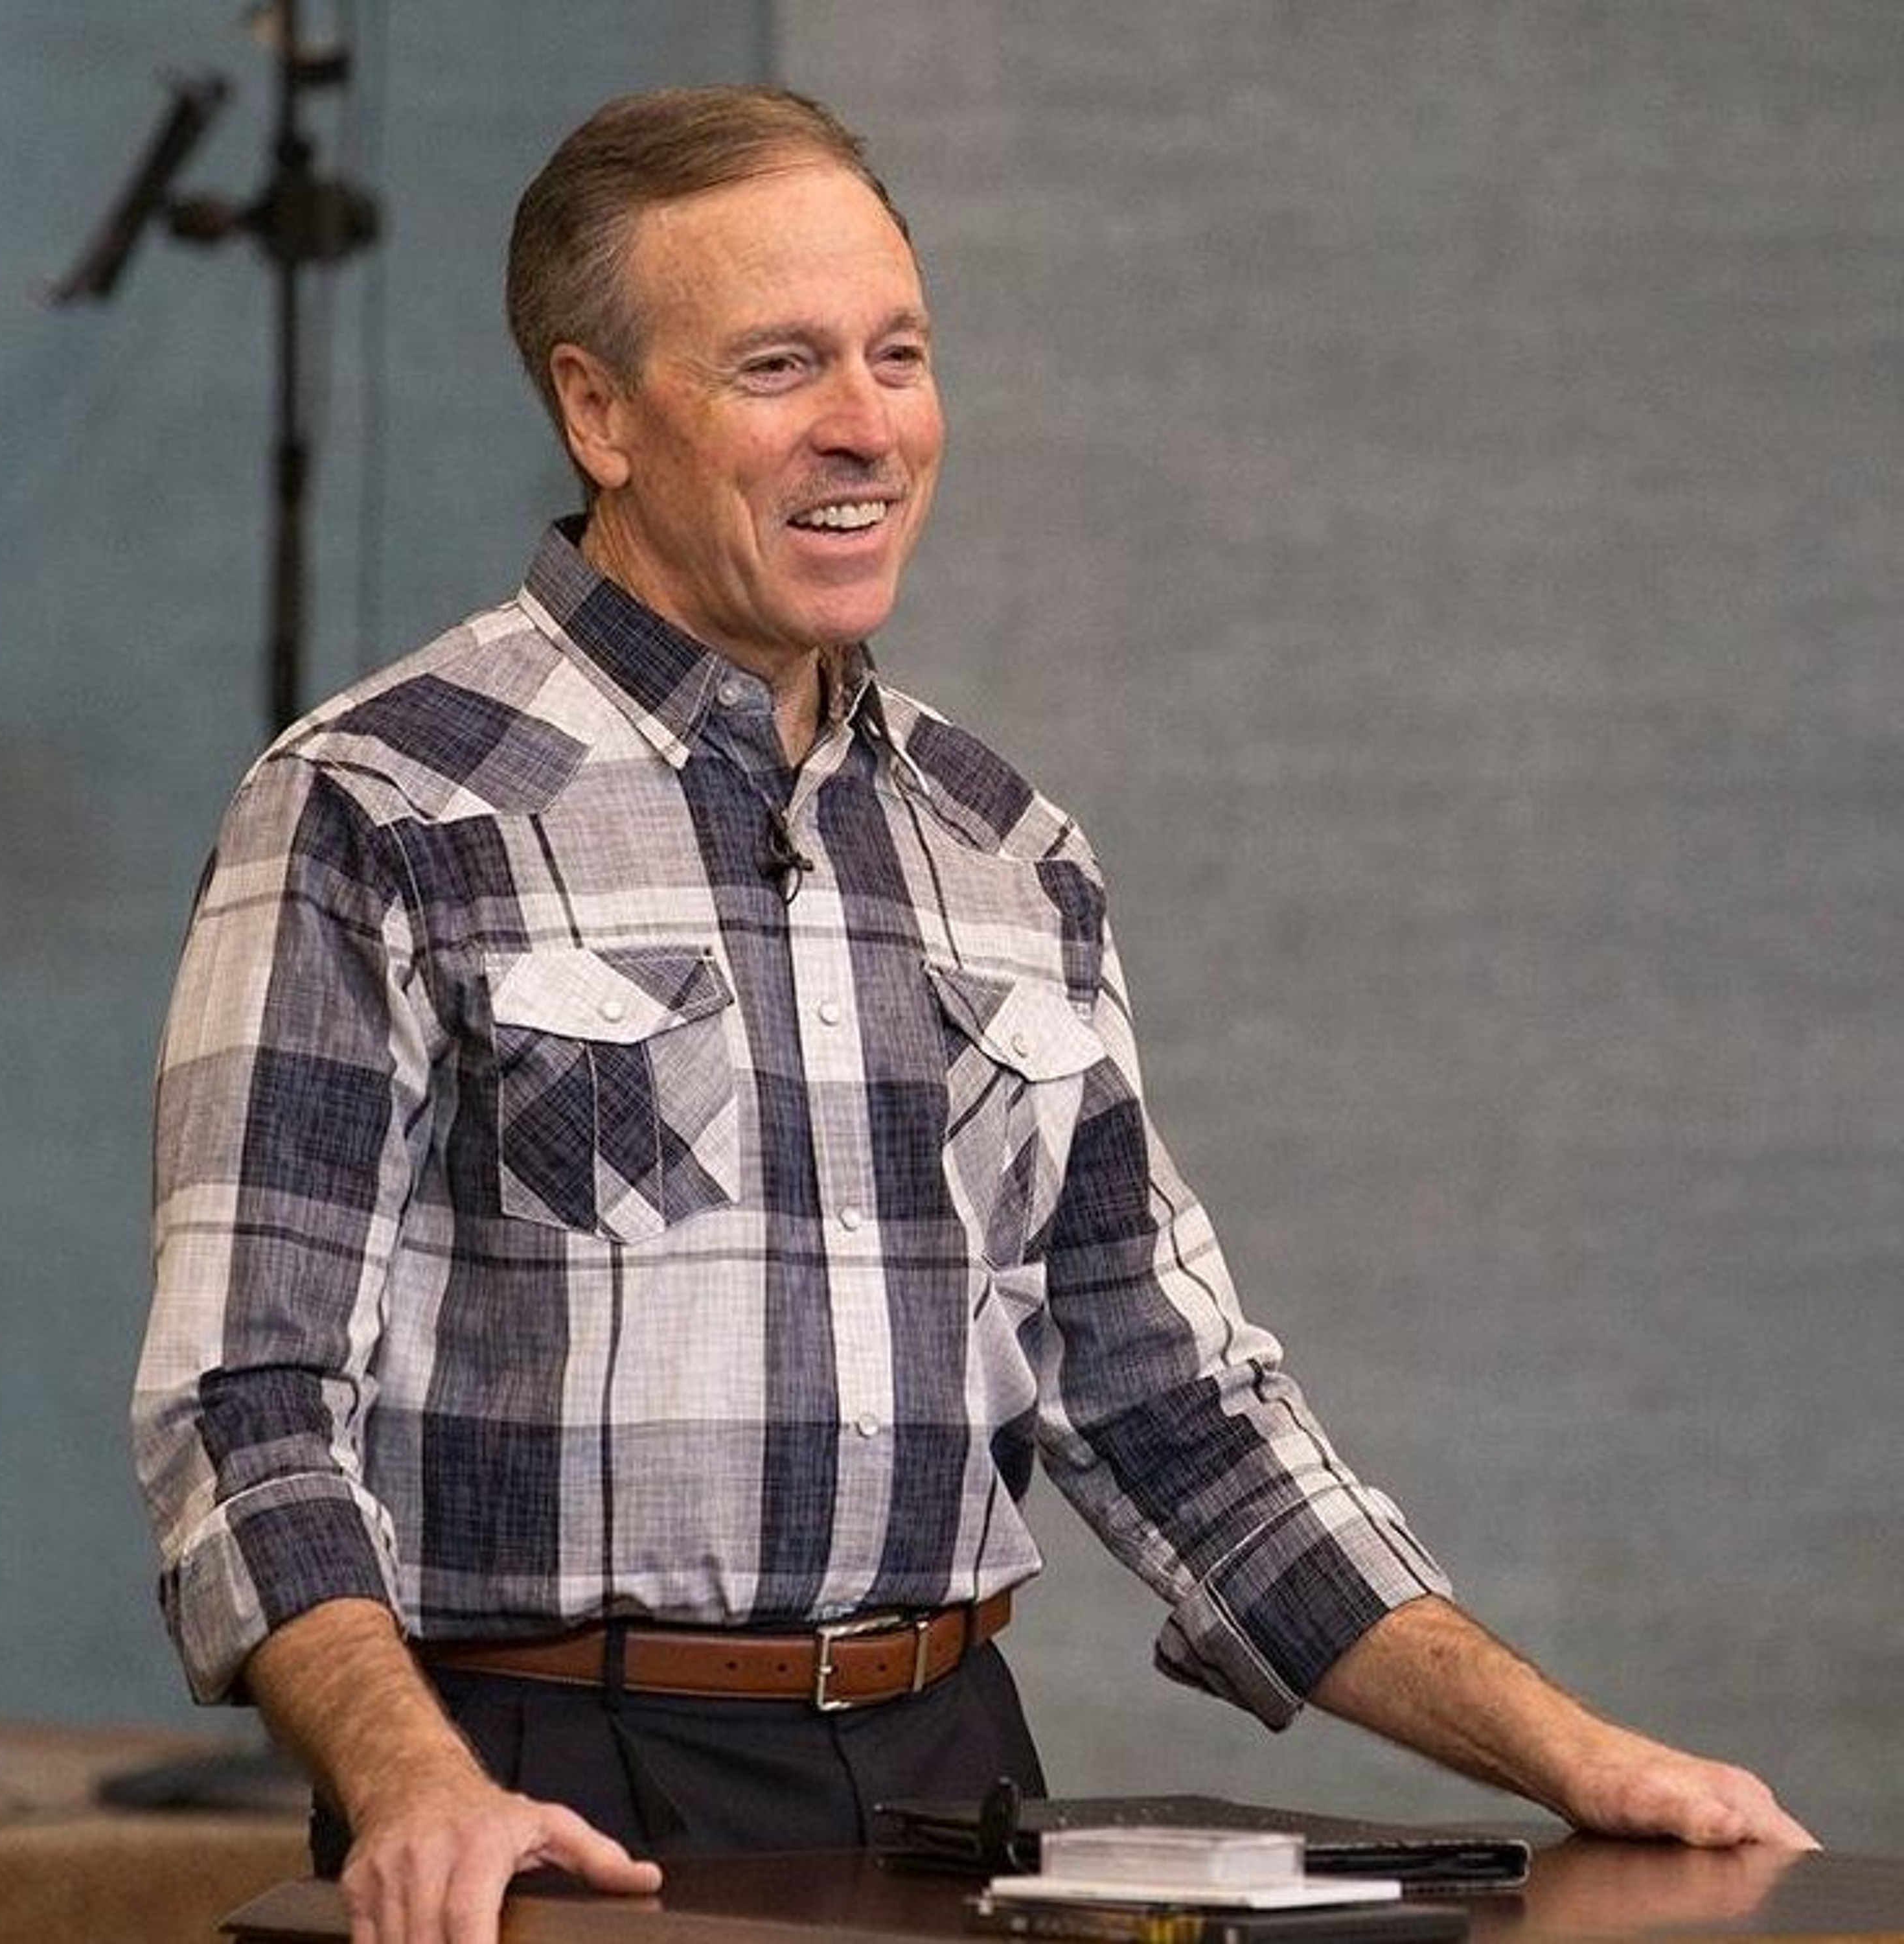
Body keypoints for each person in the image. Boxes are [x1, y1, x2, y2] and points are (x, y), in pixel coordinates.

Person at [132, 82, 1813, 1944]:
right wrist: (415, 1784)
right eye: (779, 365)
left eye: (899, 353)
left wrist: (1574, 1757)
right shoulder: (375, 807)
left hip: (954, 1788)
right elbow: (246, 1401)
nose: (868, 424)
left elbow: (1179, 1410)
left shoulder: (1009, 849)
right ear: (597, 412)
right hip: (549, 1796)